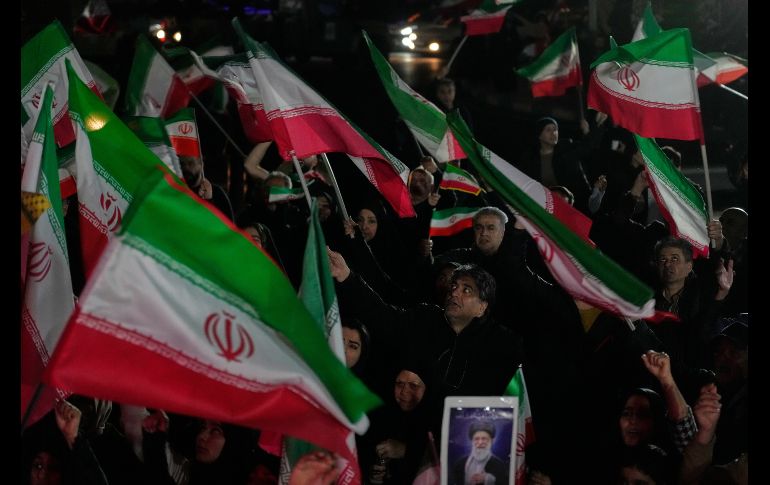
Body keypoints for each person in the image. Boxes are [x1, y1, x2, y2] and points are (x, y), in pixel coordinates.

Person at [450, 420, 508, 485]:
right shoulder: (460, 463)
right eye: (476, 439)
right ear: (472, 441)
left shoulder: (499, 465)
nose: (480, 442)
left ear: (491, 441)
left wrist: (488, 479)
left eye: (484, 439)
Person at [179, 154, 234, 221]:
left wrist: (208, 201)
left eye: (191, 163)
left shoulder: (217, 194)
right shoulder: (176, 191)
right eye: (182, 164)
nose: (186, 168)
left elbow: (227, 225)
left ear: (201, 164)